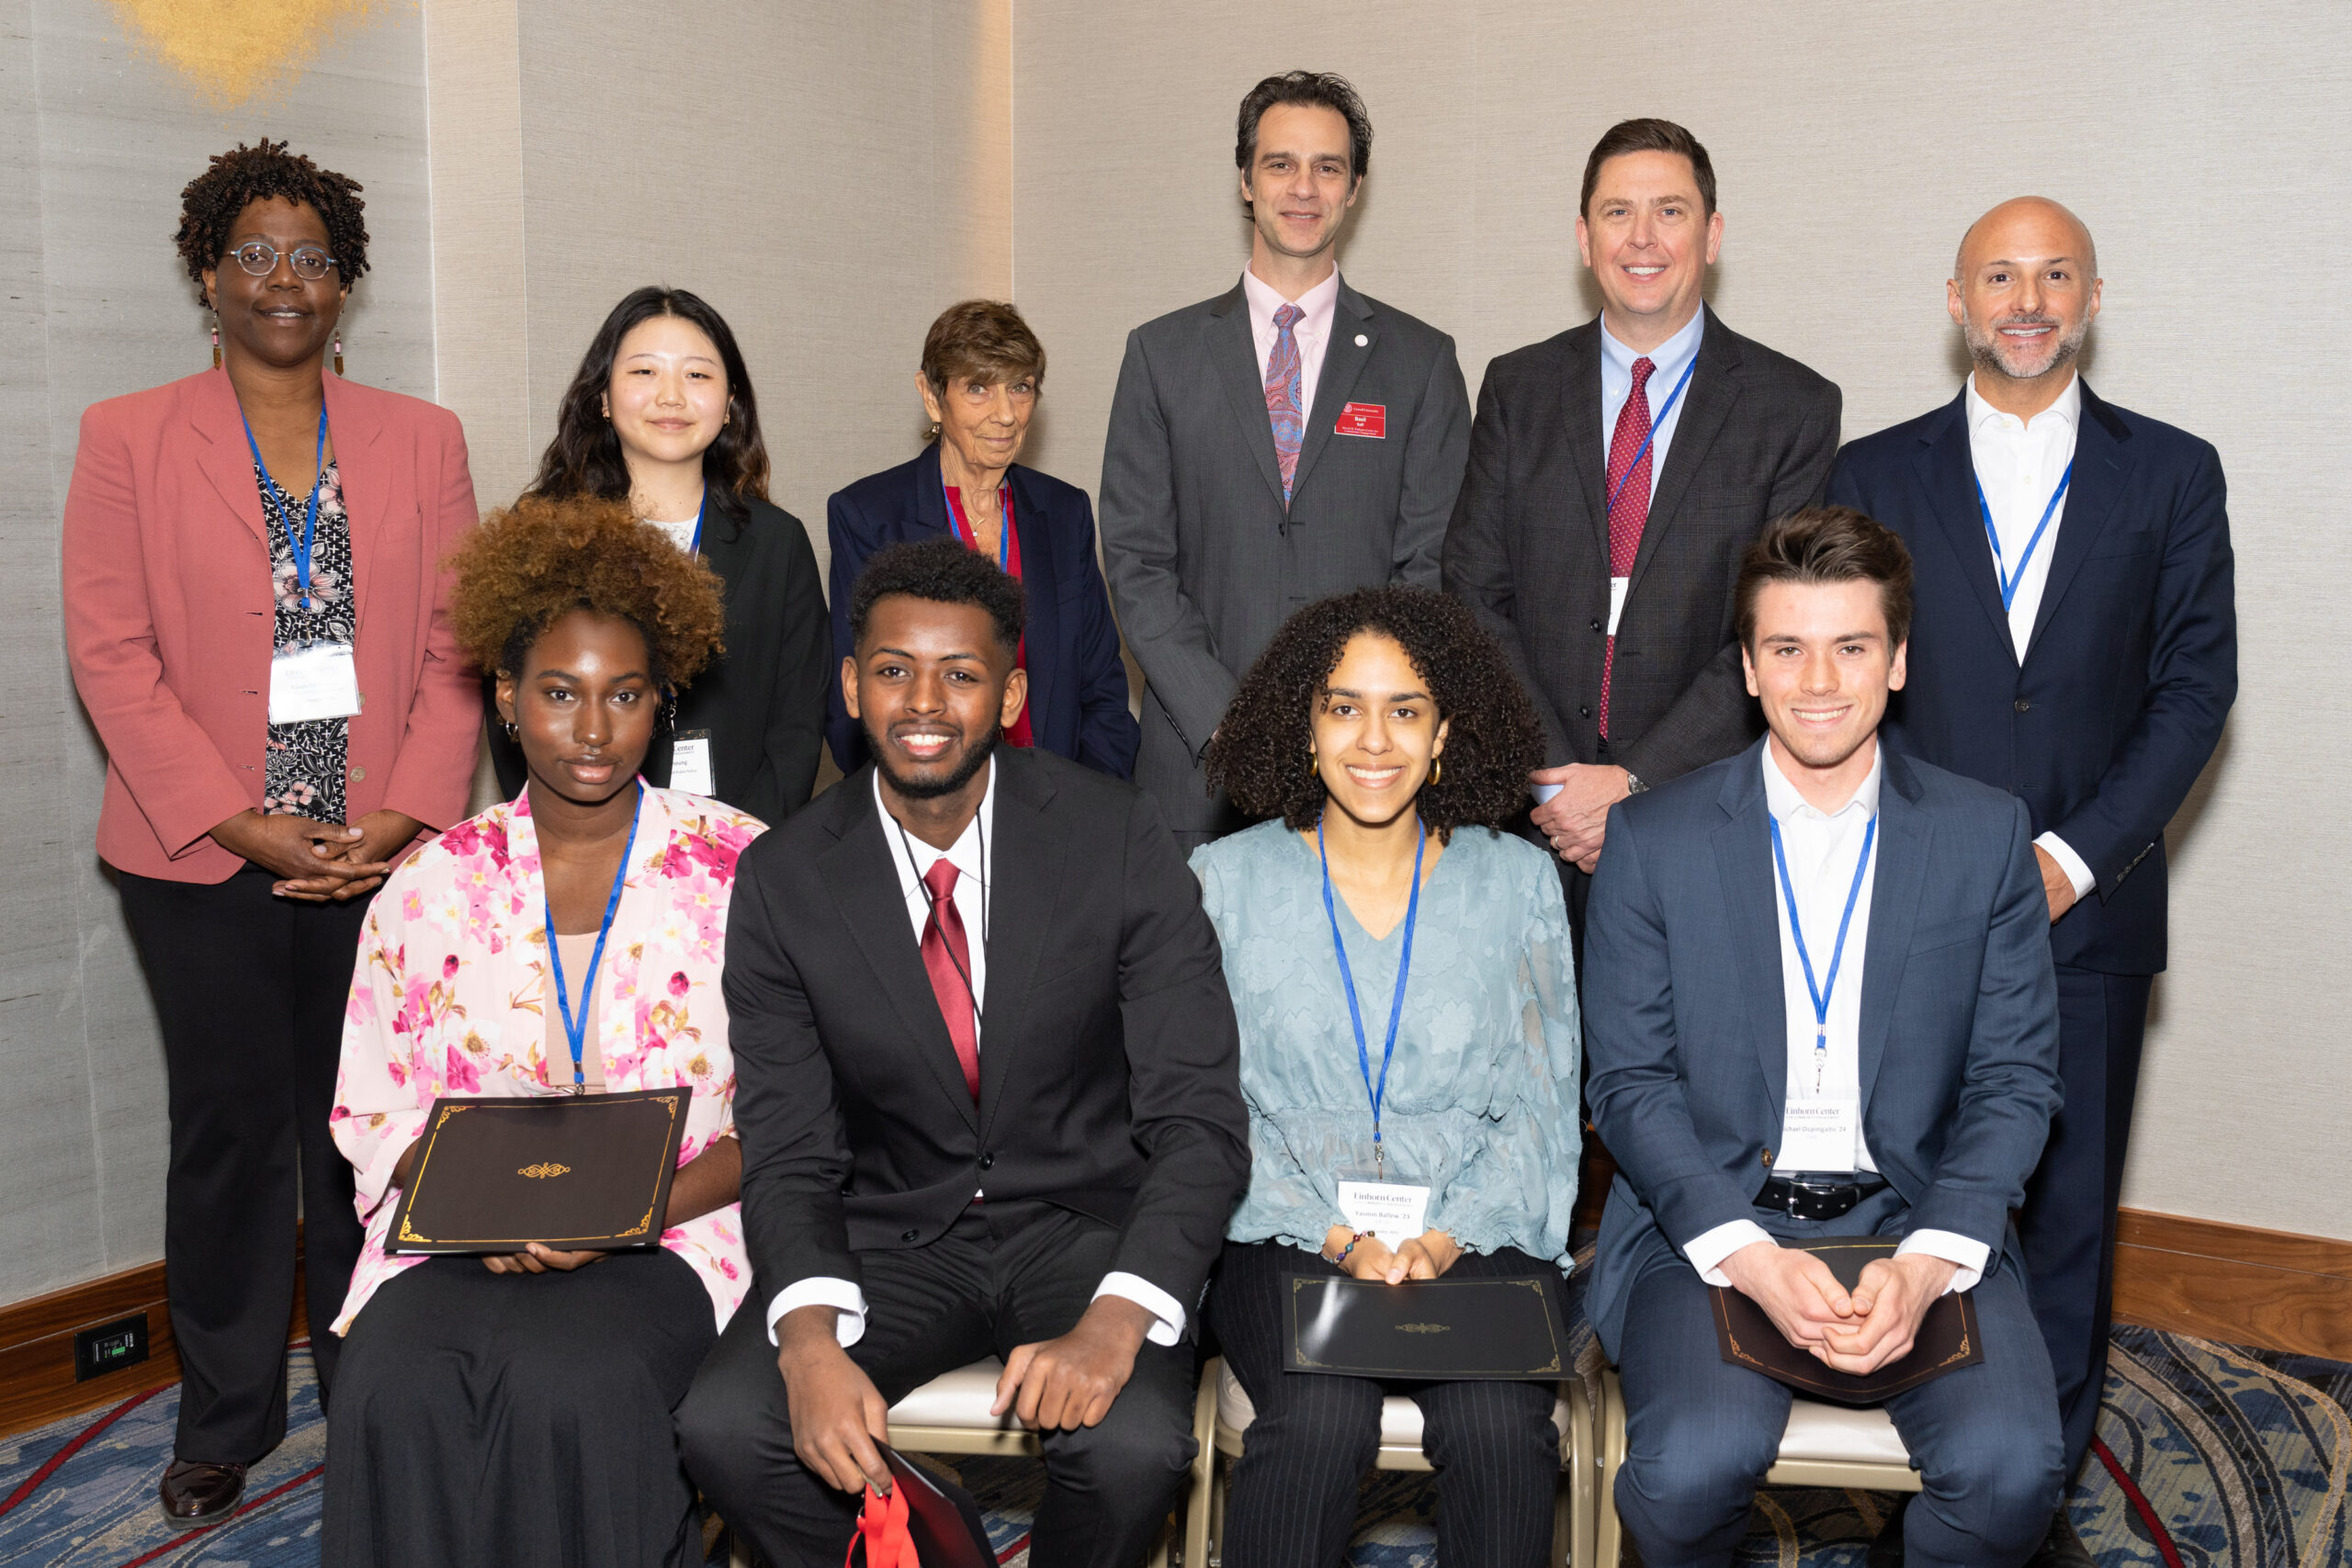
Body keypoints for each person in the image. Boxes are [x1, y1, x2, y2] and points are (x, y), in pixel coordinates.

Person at [676, 538, 1250, 1568]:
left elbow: (1198, 1119)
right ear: (851, 685)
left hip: (1083, 1226)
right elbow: (792, 1145)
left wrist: (1120, 1316)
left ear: (1012, 691)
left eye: (961, 674)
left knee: (1132, 1446)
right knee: (729, 1425)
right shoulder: (784, 879)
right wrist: (805, 1340)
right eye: (894, 670)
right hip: (890, 1232)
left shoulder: (1117, 838)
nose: (923, 702)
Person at [60, 140, 481, 1526]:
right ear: (207, 273)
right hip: (198, 859)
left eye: (311, 254)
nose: (283, 278)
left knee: (365, 1134)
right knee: (233, 1135)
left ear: (344, 283)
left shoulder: (424, 439)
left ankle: (378, 1393)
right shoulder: (128, 435)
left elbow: (455, 650)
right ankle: (224, 1416)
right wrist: (251, 827)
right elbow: (113, 656)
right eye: (254, 252)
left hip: (379, 855)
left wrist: (402, 816)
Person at [1826, 197, 2237, 1561]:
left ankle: (2034, 1498)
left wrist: (2069, 857)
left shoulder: (2172, 473)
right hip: (1904, 906)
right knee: (1908, 1195)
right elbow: (1833, 680)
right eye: (2001, 274)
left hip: (2090, 909)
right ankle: (1896, 1477)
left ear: (2094, 295)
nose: (2027, 298)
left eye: (2054, 274)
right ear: (1956, 297)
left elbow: (2193, 692)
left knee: (2062, 1220)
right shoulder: (1871, 471)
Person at [1582, 507, 2067, 1567]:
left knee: (2011, 1473)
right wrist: (1747, 1257)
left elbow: (2015, 1079)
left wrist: (1934, 1257)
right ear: (1748, 670)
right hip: (1707, 1226)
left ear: (1896, 663)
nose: (1816, 681)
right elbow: (1627, 1083)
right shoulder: (1652, 839)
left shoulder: (1983, 835)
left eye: (1850, 647)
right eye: (1785, 648)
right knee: (1685, 1471)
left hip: (1914, 1211)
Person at [322, 495, 759, 1568]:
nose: (595, 731)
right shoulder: (428, 885)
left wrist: (636, 1209)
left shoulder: (747, 871)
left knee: (571, 1387)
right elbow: (367, 1105)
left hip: (678, 1229)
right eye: (560, 695)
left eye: (624, 695)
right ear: (508, 699)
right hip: (459, 1239)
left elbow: (804, 1108)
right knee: (392, 1381)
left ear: (663, 701)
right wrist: (477, 1213)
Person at [1193, 587, 1580, 1567]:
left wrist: (1445, 1238)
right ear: (1304, 725)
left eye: (1405, 709)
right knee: (1317, 1421)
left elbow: (1543, 1105)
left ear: (1445, 731)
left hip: (1475, 1225)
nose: (1374, 739)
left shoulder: (1518, 880)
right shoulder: (1222, 881)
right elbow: (1205, 1105)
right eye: (1343, 706)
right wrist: (1336, 1235)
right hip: (1284, 1224)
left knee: (1501, 1434)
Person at [1443, 117, 1841, 922]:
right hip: (1528, 830)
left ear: (1713, 233)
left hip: (1701, 819)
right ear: (1584, 239)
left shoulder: (1792, 407)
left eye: (1671, 210)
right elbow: (1474, 593)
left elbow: (1781, 630)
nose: (1643, 237)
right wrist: (1556, 777)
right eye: (1618, 213)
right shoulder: (1517, 388)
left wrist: (1632, 781)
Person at [1100, 70, 1471, 851]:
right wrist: (1231, 725)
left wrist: (1348, 722)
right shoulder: (1161, 355)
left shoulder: (1422, 362)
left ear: (1355, 188)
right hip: (1196, 773)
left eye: (1328, 167)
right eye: (1280, 164)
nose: (1304, 187)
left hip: (1368, 771)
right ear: (1244, 180)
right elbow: (1137, 563)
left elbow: (1428, 571)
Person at [487, 286, 830, 825]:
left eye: (697, 375)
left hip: (740, 844)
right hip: (583, 842)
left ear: (731, 400)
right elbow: (512, 711)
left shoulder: (778, 541)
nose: (671, 396)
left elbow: (799, 727)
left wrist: (745, 848)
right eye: (645, 373)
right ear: (602, 396)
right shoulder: (545, 534)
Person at [826, 299, 1137, 779]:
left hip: (1055, 799)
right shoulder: (869, 516)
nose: (1006, 414)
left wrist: (1085, 809)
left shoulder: (1063, 512)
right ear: (932, 397)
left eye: (1020, 387)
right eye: (977, 388)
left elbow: (1103, 693)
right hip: (928, 799)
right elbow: (858, 703)